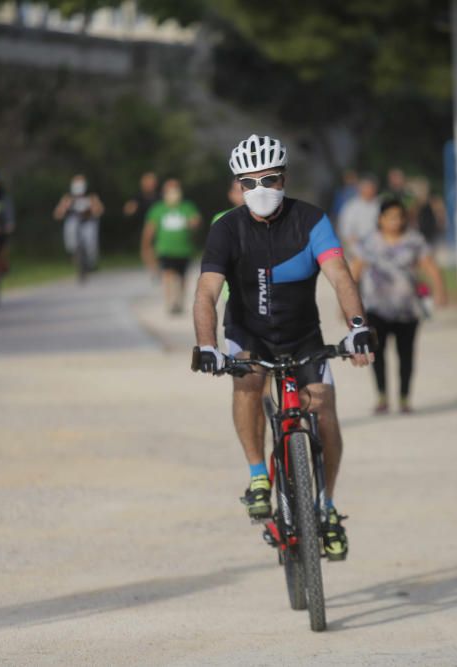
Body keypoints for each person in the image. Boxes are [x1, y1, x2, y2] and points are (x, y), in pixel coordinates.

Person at [193, 133, 374, 561]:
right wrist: (206, 345)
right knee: (248, 383)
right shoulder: (226, 228)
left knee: (324, 406)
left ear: (284, 179)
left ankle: (326, 505)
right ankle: (259, 474)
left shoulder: (311, 220)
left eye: (269, 179)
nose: (259, 191)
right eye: (248, 183)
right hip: (249, 334)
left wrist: (359, 326)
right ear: (237, 186)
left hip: (301, 335)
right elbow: (205, 293)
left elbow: (341, 277)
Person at [352, 199, 447, 414]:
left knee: (406, 355)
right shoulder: (369, 241)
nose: (395, 221)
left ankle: (404, 397)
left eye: (399, 217)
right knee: (377, 353)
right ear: (381, 219)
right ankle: (382, 396)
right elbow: (355, 271)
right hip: (376, 308)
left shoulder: (414, 240)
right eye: (390, 217)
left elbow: (429, 266)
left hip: (407, 309)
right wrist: (348, 305)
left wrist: (440, 290)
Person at [141, 178, 201, 315]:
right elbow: (150, 228)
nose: (174, 193)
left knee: (182, 277)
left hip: (184, 249)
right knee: (168, 275)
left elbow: (196, 221)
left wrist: (193, 223)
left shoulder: (187, 206)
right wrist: (146, 245)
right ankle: (171, 302)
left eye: (176, 189)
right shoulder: (158, 209)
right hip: (165, 249)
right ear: (164, 192)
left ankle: (180, 301)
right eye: (170, 190)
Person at [53, 174, 104, 283]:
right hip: (74, 224)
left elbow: (99, 211)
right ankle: (75, 255)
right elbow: (57, 214)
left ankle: (91, 261)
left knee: (90, 242)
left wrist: (93, 208)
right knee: (70, 227)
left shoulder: (91, 197)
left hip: (88, 223)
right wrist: (64, 207)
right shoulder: (68, 198)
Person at [337, 174, 380, 260]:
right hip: (357, 247)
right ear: (360, 188)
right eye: (366, 187)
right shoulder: (351, 206)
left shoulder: (380, 204)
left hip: (379, 245)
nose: (369, 190)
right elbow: (345, 230)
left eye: (371, 188)